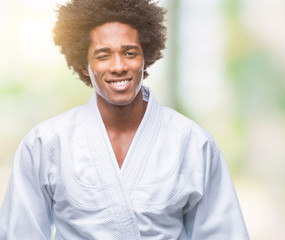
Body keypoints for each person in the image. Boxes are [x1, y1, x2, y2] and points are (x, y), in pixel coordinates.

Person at [0, 0, 249, 239]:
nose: (118, 66)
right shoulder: (45, 144)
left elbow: (224, 233)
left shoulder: (192, 143)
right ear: (85, 64)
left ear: (145, 57)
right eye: (103, 55)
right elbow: (20, 233)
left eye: (130, 53)